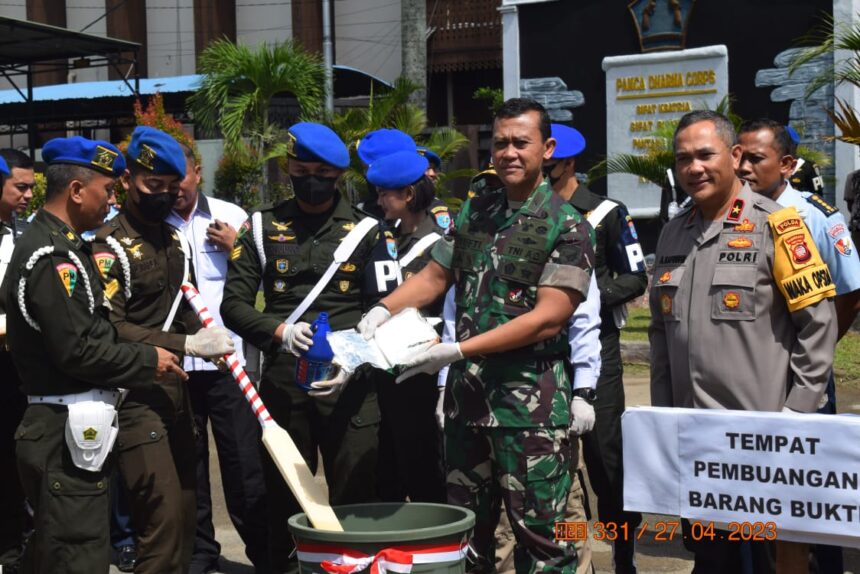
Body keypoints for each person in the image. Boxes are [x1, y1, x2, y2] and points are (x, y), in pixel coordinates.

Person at [358, 98, 596, 573]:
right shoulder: (476, 213)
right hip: (469, 406)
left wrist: (459, 349)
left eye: (520, 143)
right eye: (500, 142)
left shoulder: (568, 226)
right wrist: (383, 309)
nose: (508, 152)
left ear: (546, 148)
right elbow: (435, 275)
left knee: (543, 542)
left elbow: (549, 317)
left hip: (528, 412)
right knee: (468, 537)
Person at [650, 110, 837, 572]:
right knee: (713, 560)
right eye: (683, 159)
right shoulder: (674, 231)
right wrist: (661, 416)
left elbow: (818, 323)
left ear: (734, 156)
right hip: (696, 442)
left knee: (779, 562)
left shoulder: (778, 224)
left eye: (705, 155)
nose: (694, 168)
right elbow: (660, 330)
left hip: (764, 444)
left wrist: (798, 414)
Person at [221, 122, 402, 572]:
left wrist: (352, 356)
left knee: (356, 495)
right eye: (302, 169)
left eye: (322, 172)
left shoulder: (369, 231)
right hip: (285, 379)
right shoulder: (260, 226)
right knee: (283, 496)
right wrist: (279, 331)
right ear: (288, 169)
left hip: (352, 380)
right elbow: (233, 305)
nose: (311, 179)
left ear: (339, 176)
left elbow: (389, 308)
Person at [5, 136, 187, 574]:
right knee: (77, 556)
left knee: (64, 549)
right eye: (107, 190)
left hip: (76, 426)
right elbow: (78, 350)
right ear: (76, 191)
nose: (112, 199)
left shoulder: (66, 246)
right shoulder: (51, 256)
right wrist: (149, 360)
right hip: (60, 429)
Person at [93, 126, 235, 574]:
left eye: (172, 189)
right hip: (134, 396)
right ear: (129, 179)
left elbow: (180, 303)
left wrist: (211, 337)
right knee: (159, 518)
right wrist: (187, 342)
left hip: (176, 395)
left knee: (187, 515)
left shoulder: (172, 241)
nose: (164, 197)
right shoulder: (108, 246)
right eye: (154, 186)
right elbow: (111, 327)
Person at [737, 119, 860, 573]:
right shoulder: (730, 214)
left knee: (808, 492)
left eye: (756, 158)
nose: (743, 167)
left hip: (803, 381)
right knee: (751, 486)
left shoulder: (814, 215)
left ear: (786, 165)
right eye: (739, 156)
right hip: (751, 381)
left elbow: (849, 291)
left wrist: (817, 354)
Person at [547, 123, 647, 573]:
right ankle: (572, 549)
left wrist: (579, 295)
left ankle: (622, 554)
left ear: (567, 163)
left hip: (597, 350)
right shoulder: (526, 212)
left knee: (606, 458)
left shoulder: (606, 212)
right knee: (554, 462)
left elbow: (635, 277)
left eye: (549, 163)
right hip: (543, 350)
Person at [166, 143, 269, 574]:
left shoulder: (234, 218)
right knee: (187, 467)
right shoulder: (148, 224)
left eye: (181, 177)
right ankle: (200, 554)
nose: (174, 188)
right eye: (164, 180)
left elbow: (272, 273)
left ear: (197, 171)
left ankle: (265, 554)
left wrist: (238, 249)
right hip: (176, 365)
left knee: (244, 463)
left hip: (231, 366)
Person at [366, 149, 447, 503]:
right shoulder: (385, 237)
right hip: (385, 367)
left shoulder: (440, 241)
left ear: (409, 195)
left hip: (423, 369)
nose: (379, 200)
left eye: (385, 193)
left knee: (425, 467)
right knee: (389, 466)